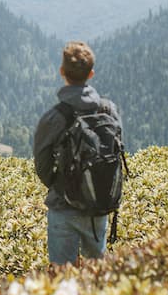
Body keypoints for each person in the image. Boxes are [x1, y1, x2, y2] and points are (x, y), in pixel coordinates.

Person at [33, 40, 122, 266]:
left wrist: (61, 185)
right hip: (98, 204)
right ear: (91, 74)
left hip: (63, 206)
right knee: (97, 276)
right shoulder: (108, 110)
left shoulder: (54, 117)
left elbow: (42, 164)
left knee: (63, 280)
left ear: (62, 72)